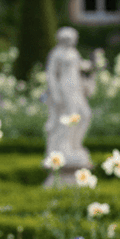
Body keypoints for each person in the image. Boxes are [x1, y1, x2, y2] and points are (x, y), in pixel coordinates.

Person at [44, 26, 92, 172]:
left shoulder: (73, 52)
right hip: (65, 88)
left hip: (76, 88)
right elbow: (51, 74)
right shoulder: (56, 53)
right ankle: (64, 147)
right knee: (69, 118)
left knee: (85, 115)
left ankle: (75, 145)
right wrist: (56, 93)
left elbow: (78, 67)